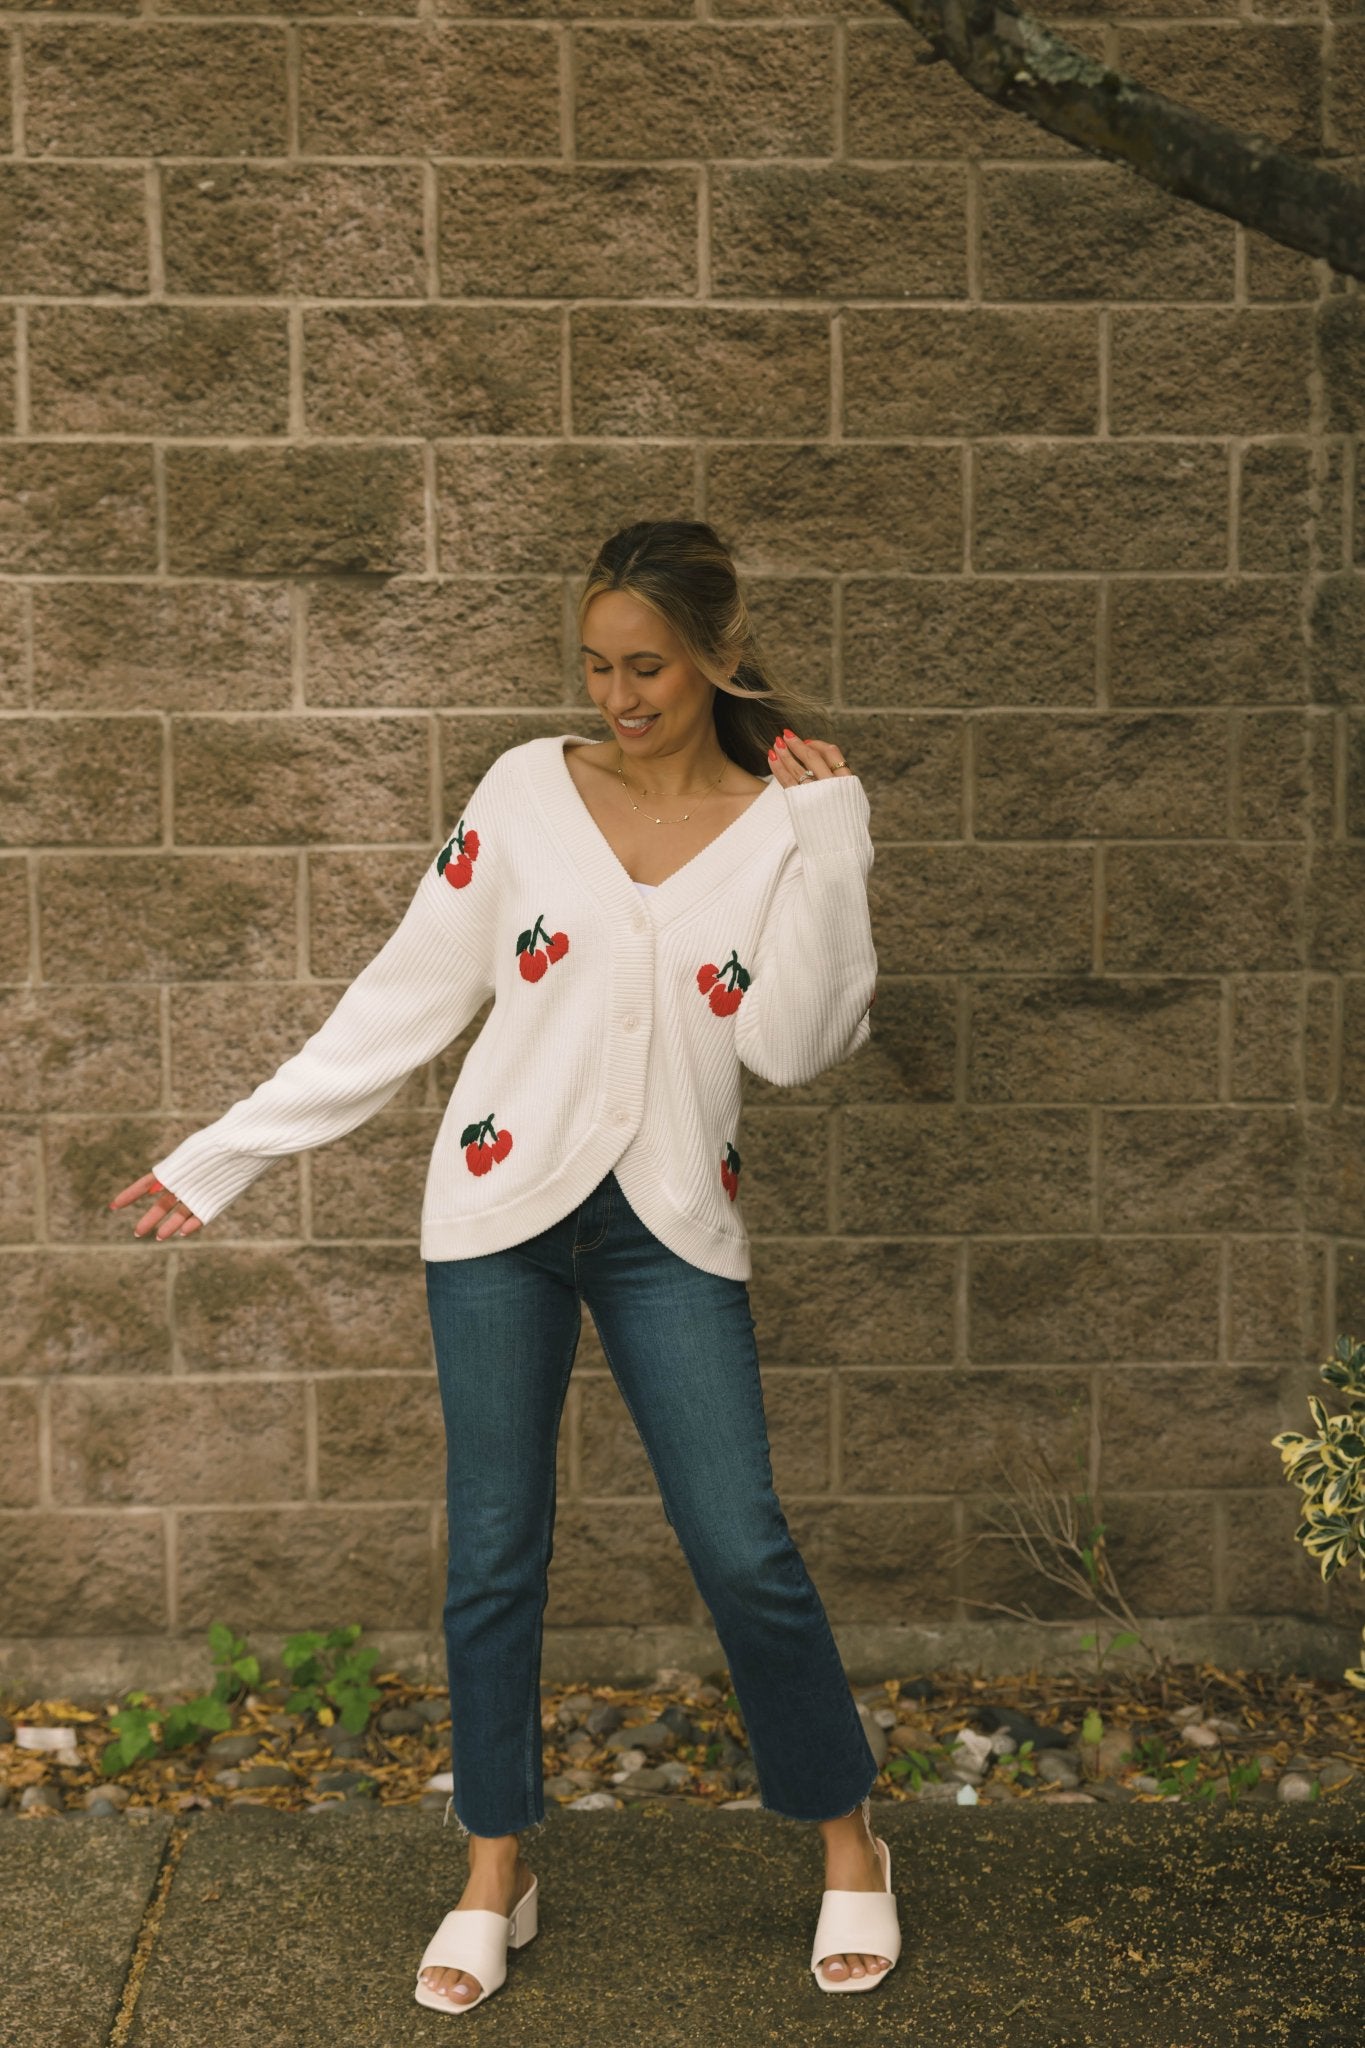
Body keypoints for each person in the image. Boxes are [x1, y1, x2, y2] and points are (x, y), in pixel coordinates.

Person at [108, 518, 900, 2009]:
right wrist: (221, 1159)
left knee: (742, 1546)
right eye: (596, 666)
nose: (619, 696)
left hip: (672, 1222)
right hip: (493, 1218)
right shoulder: (525, 794)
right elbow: (400, 1000)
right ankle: (495, 1867)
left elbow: (795, 1049)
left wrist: (836, 841)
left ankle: (848, 1847)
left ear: (716, 657)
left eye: (648, 667)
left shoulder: (789, 822)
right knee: (491, 1554)